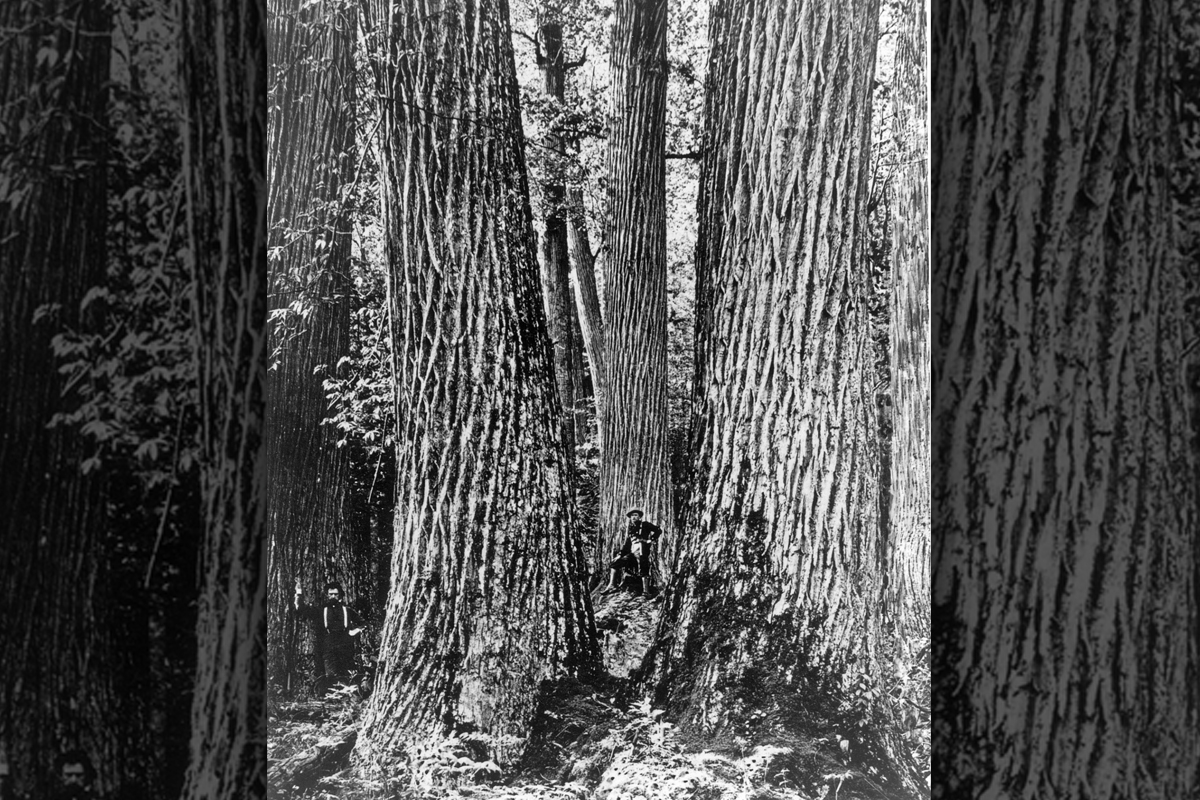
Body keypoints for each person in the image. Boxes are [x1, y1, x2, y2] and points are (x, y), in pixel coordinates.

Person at [294, 580, 365, 694]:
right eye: (331, 594)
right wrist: (299, 593)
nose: (333, 596)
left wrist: (354, 632)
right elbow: (302, 610)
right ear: (327, 595)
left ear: (340, 595)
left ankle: (346, 696)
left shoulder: (347, 610)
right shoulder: (322, 610)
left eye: (336, 594)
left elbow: (363, 624)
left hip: (345, 643)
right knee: (331, 674)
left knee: (346, 672)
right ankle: (332, 696)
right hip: (329, 644)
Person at [601, 508, 664, 595]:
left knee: (643, 569)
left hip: (642, 552)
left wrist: (651, 540)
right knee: (615, 564)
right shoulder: (631, 530)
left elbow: (658, 530)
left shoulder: (645, 525)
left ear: (639, 517)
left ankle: (646, 591)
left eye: (635, 515)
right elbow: (627, 545)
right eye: (632, 516)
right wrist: (620, 555)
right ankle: (612, 585)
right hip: (632, 553)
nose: (633, 517)